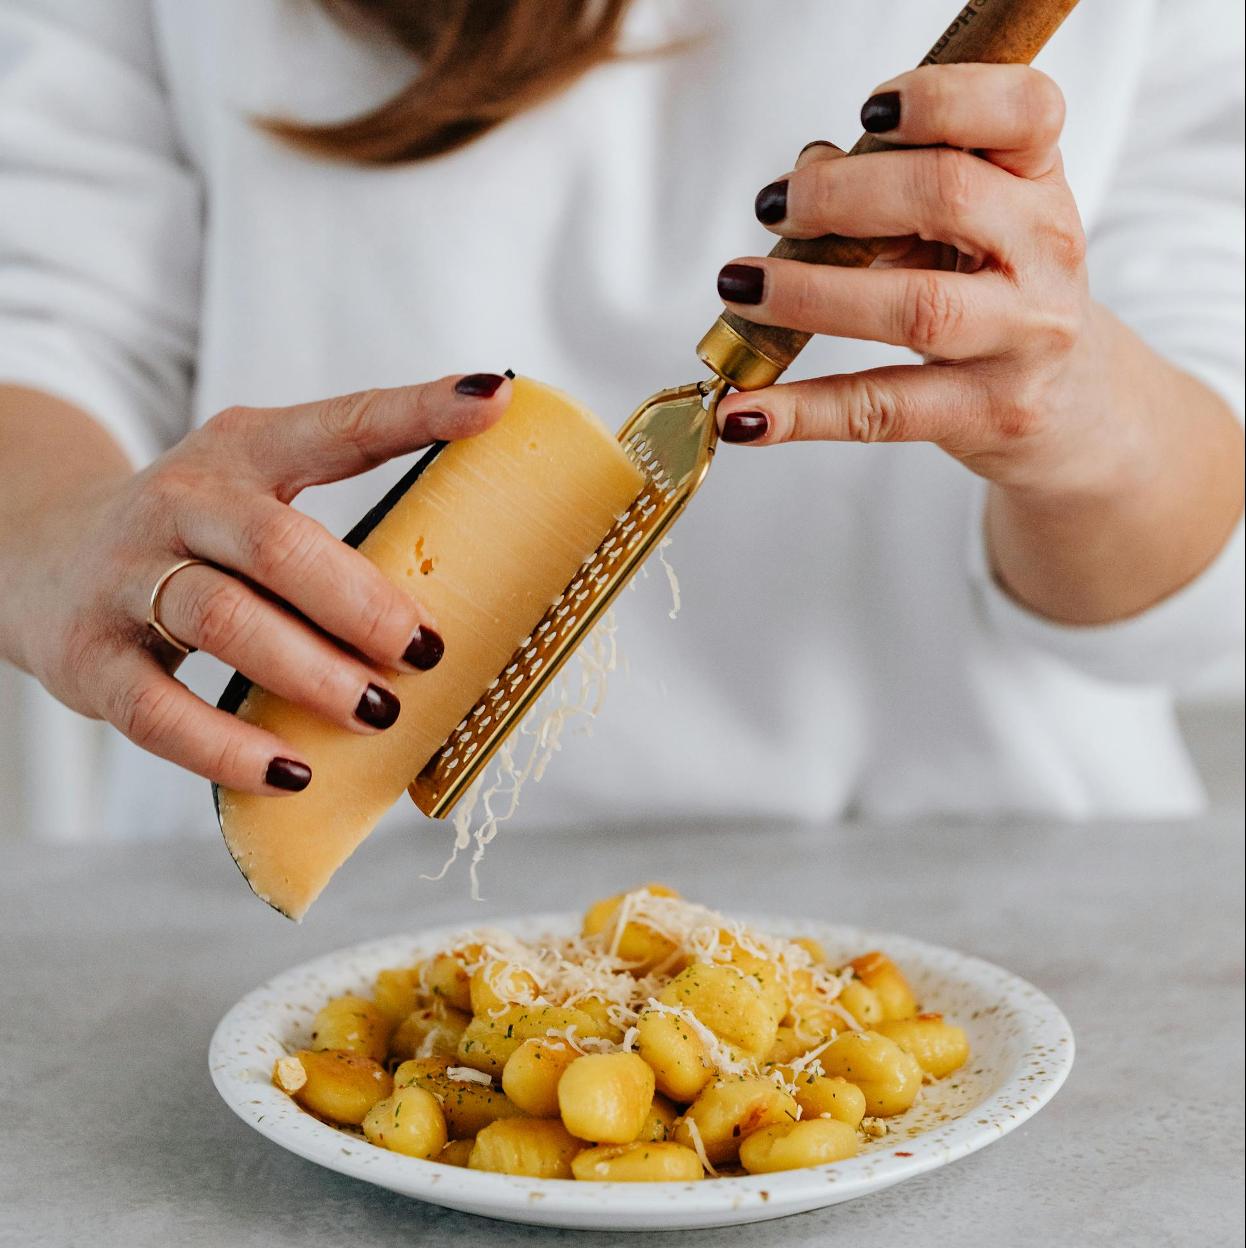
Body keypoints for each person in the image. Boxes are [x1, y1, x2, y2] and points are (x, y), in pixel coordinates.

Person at [0, 0, 1242, 844]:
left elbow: (1197, 568)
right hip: (268, 934)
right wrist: (58, 530)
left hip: (977, 898)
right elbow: (42, 316)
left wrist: (1082, 427)